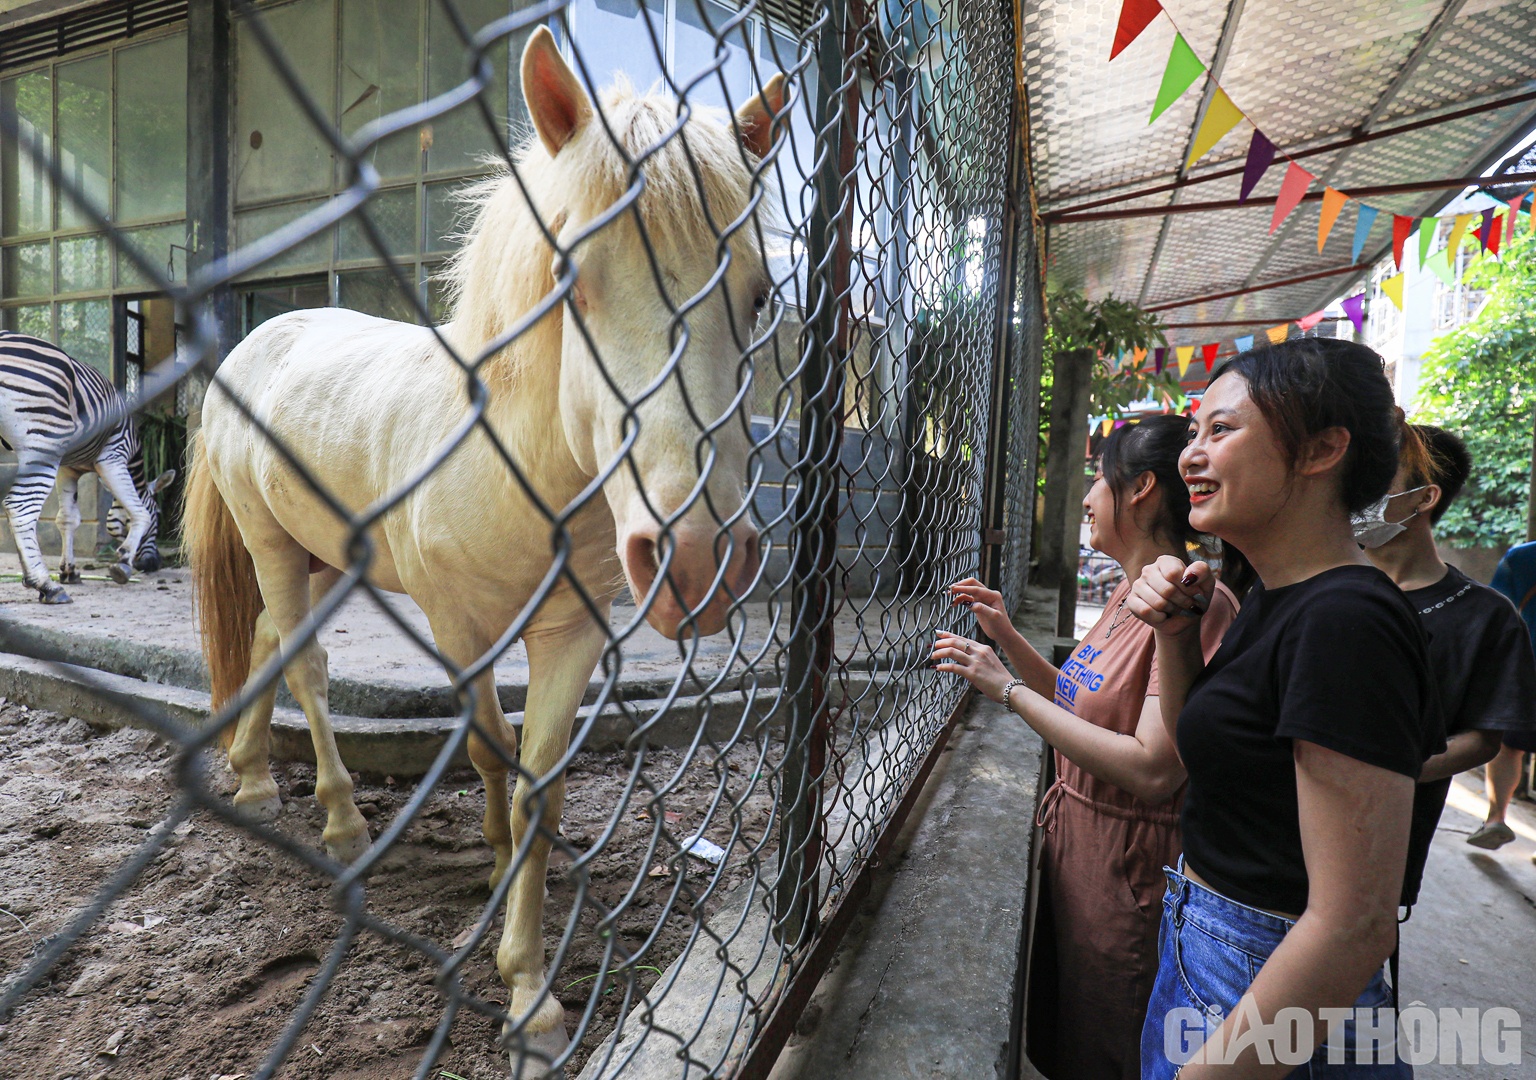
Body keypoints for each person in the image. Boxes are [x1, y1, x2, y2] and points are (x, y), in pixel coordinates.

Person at [1124, 339, 1444, 1077]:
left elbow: (1353, 927)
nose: (1189, 456)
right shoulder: (1279, 593)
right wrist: (1176, 636)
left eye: (1222, 430)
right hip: (1213, 950)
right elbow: (1196, 757)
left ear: (1321, 450)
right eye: (1194, 432)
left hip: (1269, 977)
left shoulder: (1345, 620)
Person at [934, 415, 1238, 1080]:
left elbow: (1153, 768)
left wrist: (1006, 692)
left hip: (1133, 863)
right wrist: (1007, 640)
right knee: (1071, 1037)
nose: (1087, 495)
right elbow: (1082, 698)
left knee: (1113, 1046)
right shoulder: (1131, 588)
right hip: (1080, 846)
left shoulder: (1194, 604)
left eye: (1099, 477)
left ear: (1141, 489)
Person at [1360, 424, 1536, 881]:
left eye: (1378, 475)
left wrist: (1376, 774)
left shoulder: (1485, 616)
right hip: (1260, 835)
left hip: (1382, 852)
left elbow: (1482, 739)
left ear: (1424, 497)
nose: (1355, 488)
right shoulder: (1315, 582)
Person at [1484, 539, 1536, 850]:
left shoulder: (1523, 557)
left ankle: (1495, 818)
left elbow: (1496, 612)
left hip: (1527, 670)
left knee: (1506, 745)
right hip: (1526, 671)